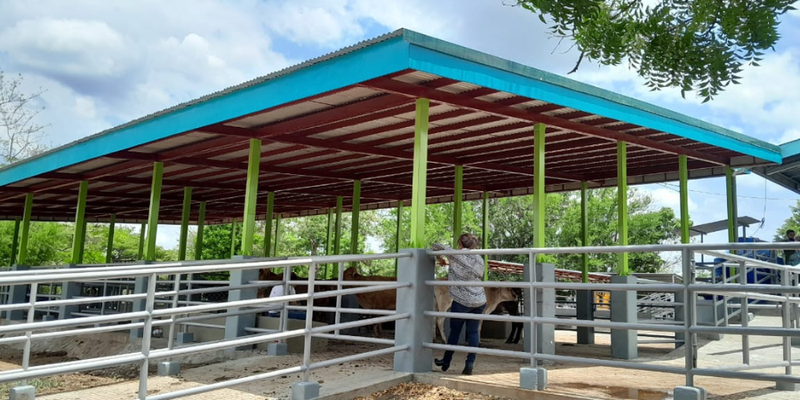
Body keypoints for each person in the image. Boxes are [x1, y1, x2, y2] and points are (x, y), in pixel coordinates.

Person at [431, 233, 487, 376]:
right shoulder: (479, 259)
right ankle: (469, 363)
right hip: (479, 299)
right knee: (474, 332)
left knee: (455, 331)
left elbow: (435, 246)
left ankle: (446, 361)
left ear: (460, 244)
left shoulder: (455, 254)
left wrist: (440, 258)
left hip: (462, 300)